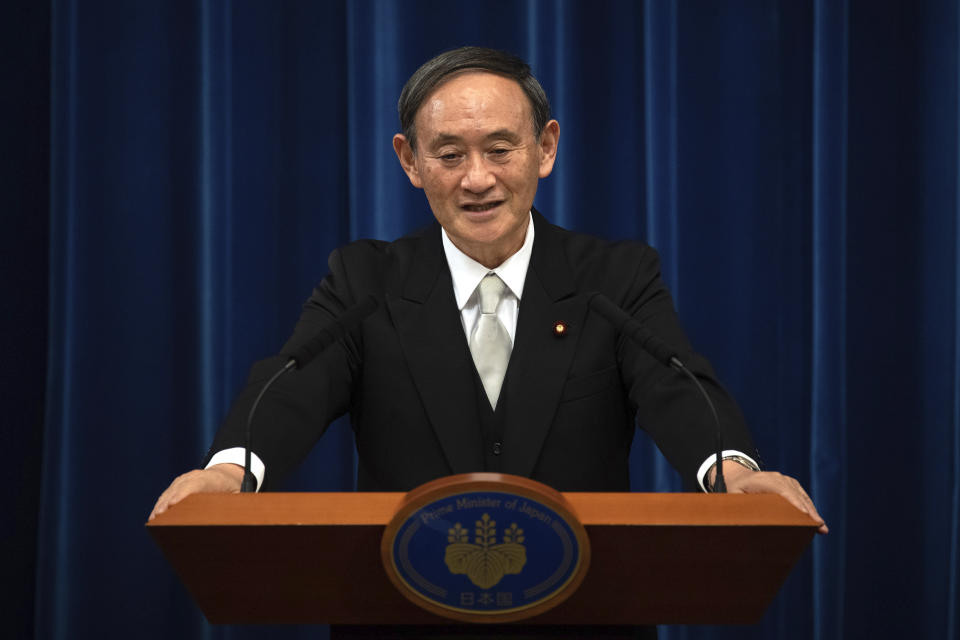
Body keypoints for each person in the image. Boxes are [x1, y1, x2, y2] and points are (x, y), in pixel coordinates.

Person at [150, 47, 825, 537]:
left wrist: (733, 474)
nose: (477, 179)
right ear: (409, 161)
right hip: (402, 605)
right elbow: (293, 386)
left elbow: (677, 389)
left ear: (546, 149)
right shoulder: (366, 282)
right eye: (449, 155)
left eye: (500, 149)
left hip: (584, 607)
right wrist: (226, 474)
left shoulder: (613, 280)